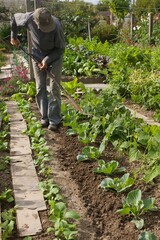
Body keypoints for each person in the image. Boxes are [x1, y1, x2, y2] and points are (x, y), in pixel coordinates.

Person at [10, 7, 65, 131]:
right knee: (40, 87)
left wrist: (46, 60)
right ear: (36, 22)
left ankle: (54, 119)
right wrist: (14, 36)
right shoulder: (29, 18)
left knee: (54, 87)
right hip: (37, 54)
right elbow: (14, 18)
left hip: (54, 56)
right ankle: (44, 117)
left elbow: (60, 49)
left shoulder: (56, 26)